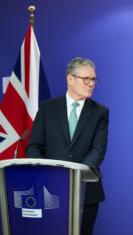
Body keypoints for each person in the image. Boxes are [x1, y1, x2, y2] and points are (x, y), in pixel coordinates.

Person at [26, 57, 109, 235]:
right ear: (70, 79)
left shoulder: (100, 112)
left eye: (93, 79)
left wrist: (73, 176)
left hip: (86, 193)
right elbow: (34, 146)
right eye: (86, 79)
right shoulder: (48, 108)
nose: (91, 84)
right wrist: (42, 175)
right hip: (50, 190)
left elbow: (98, 150)